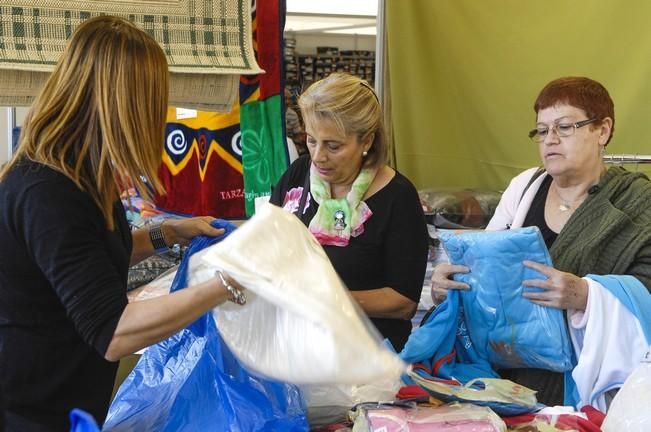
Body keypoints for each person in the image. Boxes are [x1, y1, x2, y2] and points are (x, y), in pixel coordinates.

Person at [0, 16, 245, 430]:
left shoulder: (81, 174)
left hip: (66, 400)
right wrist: (226, 287)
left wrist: (168, 233)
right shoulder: (47, 191)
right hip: (31, 412)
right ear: (121, 102)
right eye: (152, 100)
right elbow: (114, 333)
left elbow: (87, 264)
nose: (158, 114)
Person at [431, 76, 651, 406]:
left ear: (602, 130)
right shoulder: (525, 187)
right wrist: (449, 284)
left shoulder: (637, 203)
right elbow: (483, 265)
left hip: (589, 387)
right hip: (505, 374)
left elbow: (646, 291)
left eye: (564, 127)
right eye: (542, 130)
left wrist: (586, 296)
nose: (550, 140)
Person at [270, 73, 429, 352]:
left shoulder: (398, 198)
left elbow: (403, 302)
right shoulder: (298, 174)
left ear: (366, 141)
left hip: (365, 358)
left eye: (334, 146)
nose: (318, 156)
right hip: (295, 347)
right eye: (310, 140)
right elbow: (268, 239)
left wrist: (326, 300)